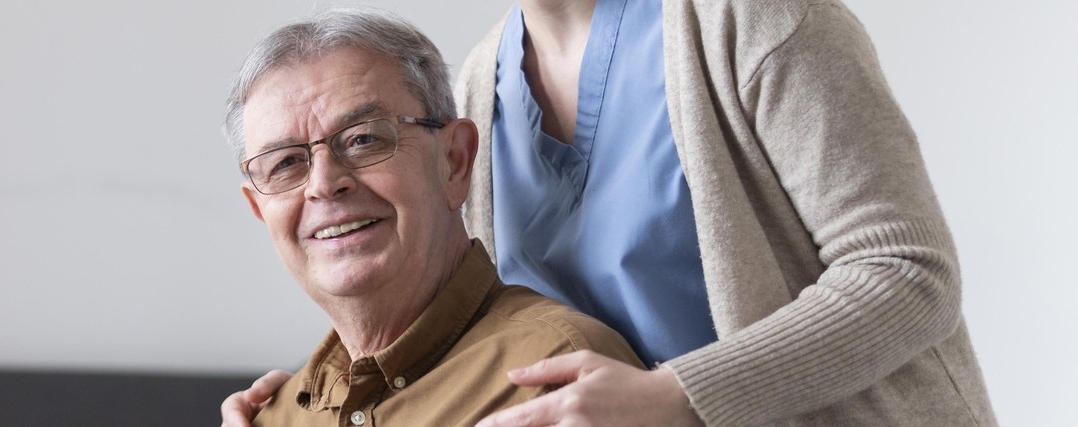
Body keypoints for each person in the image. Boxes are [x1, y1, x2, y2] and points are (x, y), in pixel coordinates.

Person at [223, 0, 996, 426]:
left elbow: (908, 270)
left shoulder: (755, 20)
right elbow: (460, 311)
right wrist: (313, 398)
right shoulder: (479, 80)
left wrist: (674, 396)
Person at [218, 8, 643, 427]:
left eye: (363, 139)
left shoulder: (563, 381)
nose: (324, 184)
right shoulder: (270, 417)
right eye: (286, 163)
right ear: (259, 208)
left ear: (455, 162)